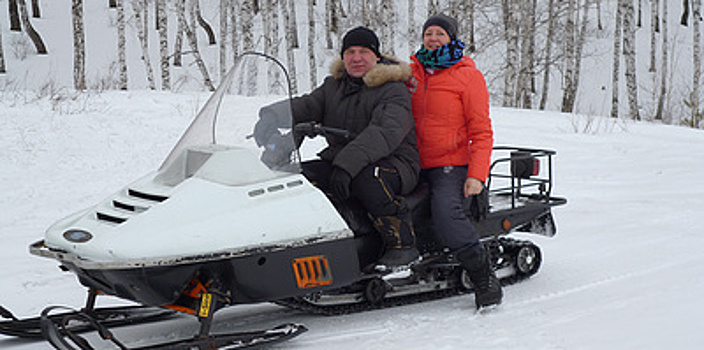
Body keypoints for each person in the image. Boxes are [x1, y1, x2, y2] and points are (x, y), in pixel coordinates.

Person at [253, 27, 421, 269]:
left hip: (395, 163)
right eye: (350, 52)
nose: (356, 58)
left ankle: (402, 243)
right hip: (344, 159)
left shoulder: (393, 89)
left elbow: (383, 133)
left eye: (363, 51)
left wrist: (345, 165)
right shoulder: (335, 86)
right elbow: (308, 105)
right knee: (297, 178)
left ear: (376, 56)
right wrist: (271, 116)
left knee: (368, 178)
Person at [408, 14, 502, 308]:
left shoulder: (467, 75)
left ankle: (482, 274)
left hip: (450, 163)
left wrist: (477, 175)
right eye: (428, 33)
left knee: (446, 211)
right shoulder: (411, 72)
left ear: (451, 38)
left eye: (439, 33)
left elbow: (481, 131)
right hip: (412, 161)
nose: (433, 38)